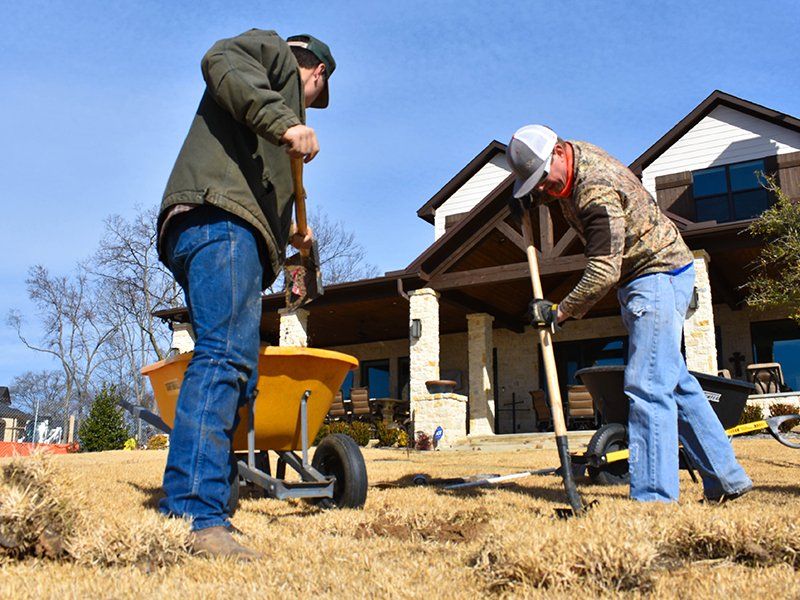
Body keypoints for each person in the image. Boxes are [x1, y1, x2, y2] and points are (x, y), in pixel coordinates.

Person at [156, 29, 336, 558]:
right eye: (314, 99)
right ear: (317, 75)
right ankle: (194, 514)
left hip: (232, 234)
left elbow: (300, 278)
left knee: (241, 373)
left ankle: (210, 490)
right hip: (220, 221)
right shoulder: (271, 52)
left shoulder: (275, 145)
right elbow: (219, 59)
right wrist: (288, 122)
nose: (310, 109)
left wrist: (298, 244)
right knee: (225, 361)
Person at [507, 124, 752, 503]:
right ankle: (726, 479)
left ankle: (654, 498)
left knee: (647, 385)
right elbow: (550, 186)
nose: (542, 188)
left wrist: (559, 311)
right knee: (675, 383)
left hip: (657, 274)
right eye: (534, 184)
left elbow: (604, 269)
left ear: (558, 151)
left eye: (542, 179)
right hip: (658, 273)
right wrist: (529, 197)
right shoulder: (570, 161)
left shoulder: (595, 192)